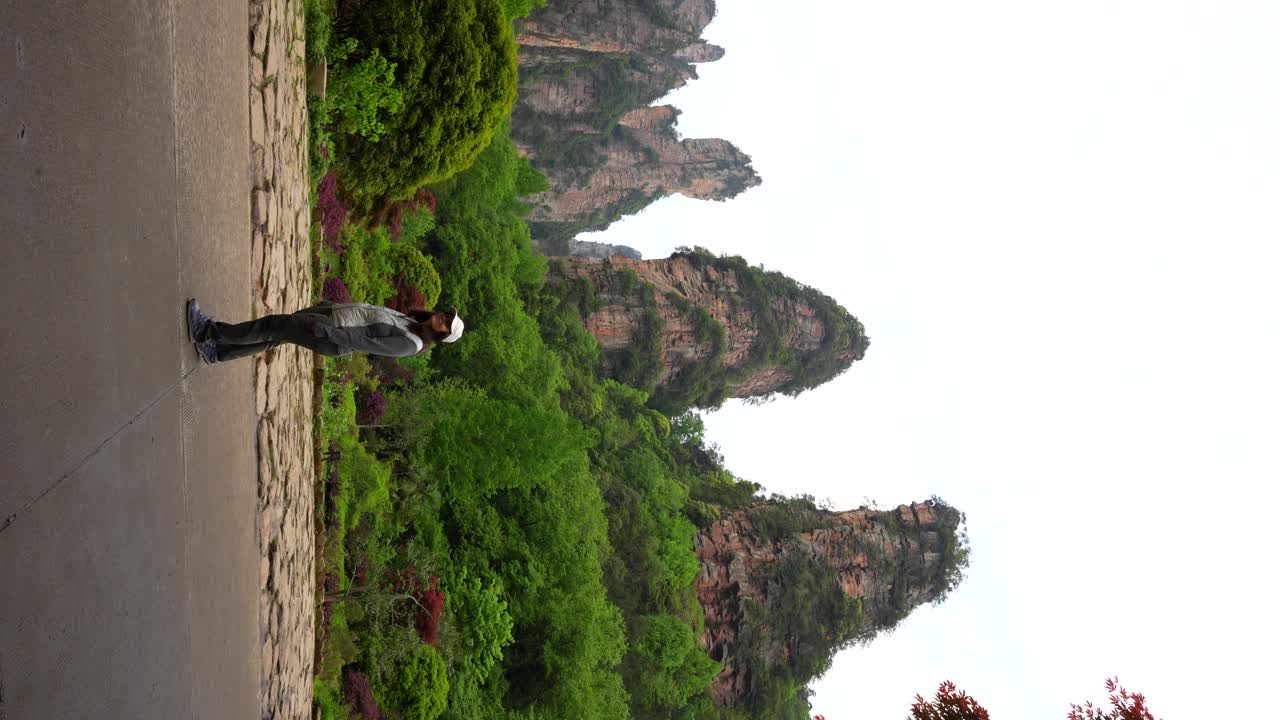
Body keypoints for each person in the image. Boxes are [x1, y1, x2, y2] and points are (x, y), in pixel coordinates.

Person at [186, 298, 463, 364]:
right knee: (276, 335)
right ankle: (218, 353)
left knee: (271, 327)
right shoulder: (412, 320)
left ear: (442, 335)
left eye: (446, 325)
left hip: (331, 333)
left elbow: (365, 340)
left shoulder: (411, 343)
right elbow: (367, 315)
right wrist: (331, 307)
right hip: (333, 316)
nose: (442, 319)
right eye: (446, 315)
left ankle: (207, 331)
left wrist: (327, 332)